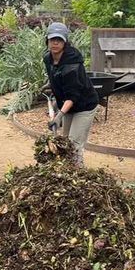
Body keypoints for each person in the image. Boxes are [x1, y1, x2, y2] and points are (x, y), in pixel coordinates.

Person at [44, 22, 99, 165]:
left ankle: (78, 177)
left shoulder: (72, 64)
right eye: (52, 39)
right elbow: (56, 75)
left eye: (59, 40)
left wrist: (59, 116)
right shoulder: (48, 58)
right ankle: (66, 173)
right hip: (68, 105)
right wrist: (51, 86)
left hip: (85, 105)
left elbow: (73, 95)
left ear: (65, 42)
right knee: (64, 143)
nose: (55, 43)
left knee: (74, 146)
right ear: (47, 40)